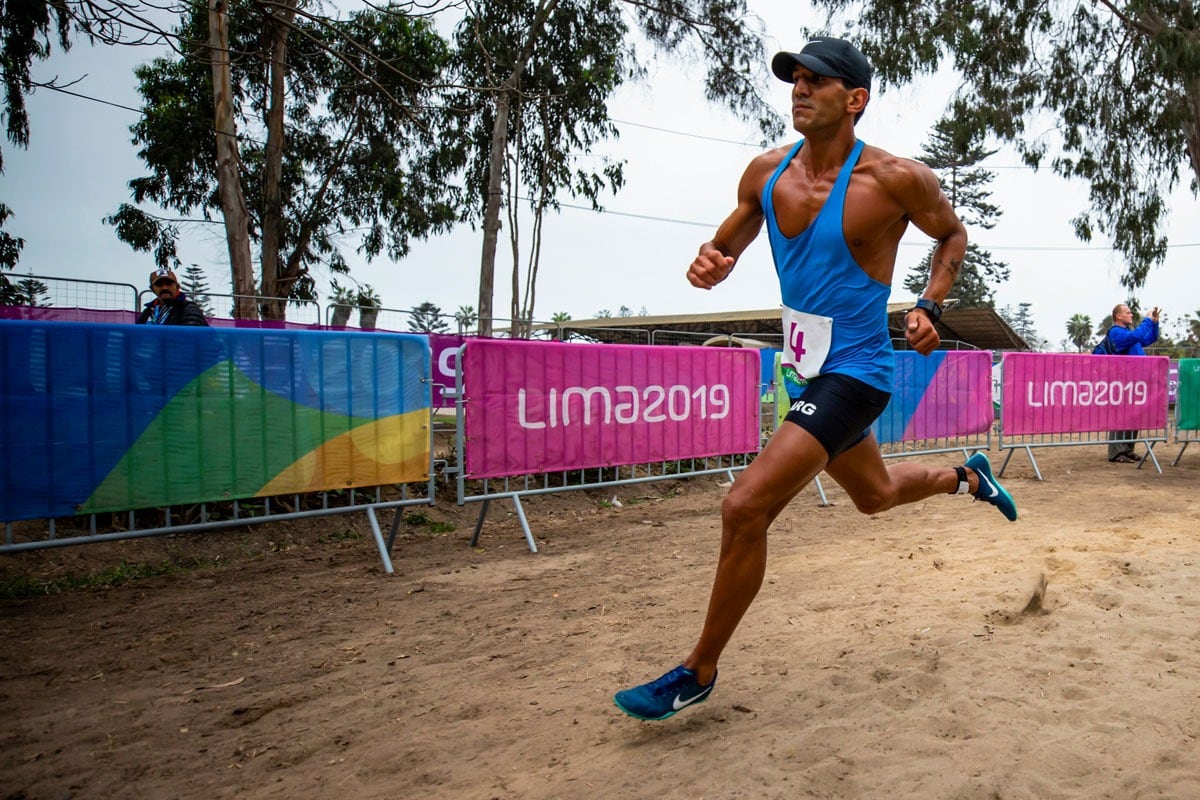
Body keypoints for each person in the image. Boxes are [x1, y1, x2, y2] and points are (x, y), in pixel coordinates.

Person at [613, 37, 1018, 722]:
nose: (800, 90)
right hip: (805, 368)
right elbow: (726, 243)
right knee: (877, 495)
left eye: (817, 81)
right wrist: (711, 263)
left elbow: (952, 236)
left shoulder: (895, 180)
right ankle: (967, 477)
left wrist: (929, 305)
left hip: (858, 371)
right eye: (795, 80)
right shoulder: (767, 174)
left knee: (744, 507)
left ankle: (697, 671)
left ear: (855, 99)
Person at [1097, 303, 1161, 463]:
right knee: (1121, 416)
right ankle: (1116, 453)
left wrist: (1154, 323)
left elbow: (1150, 338)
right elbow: (1137, 336)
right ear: (1118, 316)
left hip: (1135, 382)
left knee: (1133, 416)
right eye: (1128, 312)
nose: (1131, 315)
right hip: (1122, 381)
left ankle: (1127, 449)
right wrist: (1146, 320)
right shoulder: (1116, 332)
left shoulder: (1128, 334)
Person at [135, 268, 209, 326]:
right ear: (152, 289)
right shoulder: (147, 312)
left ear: (177, 286)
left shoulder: (188, 308)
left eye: (169, 284)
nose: (164, 288)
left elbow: (192, 335)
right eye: (159, 285)